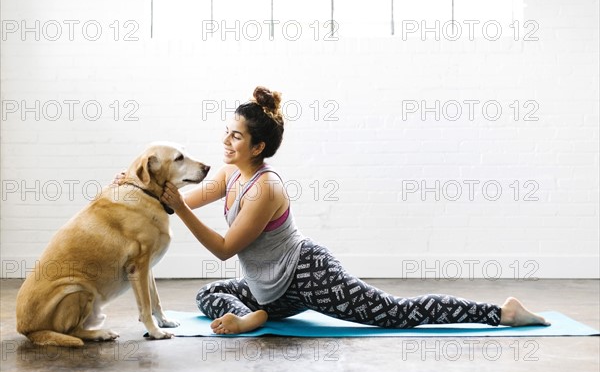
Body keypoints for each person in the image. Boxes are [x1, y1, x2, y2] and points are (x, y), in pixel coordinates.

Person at [160, 86, 550, 335]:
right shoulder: (230, 173)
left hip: (307, 274)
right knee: (209, 293)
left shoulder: (265, 187)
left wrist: (178, 205)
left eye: (236, 136)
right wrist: (138, 186)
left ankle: (502, 313)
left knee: (394, 314)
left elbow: (225, 247)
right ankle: (253, 317)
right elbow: (179, 201)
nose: (225, 140)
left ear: (258, 147)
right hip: (267, 290)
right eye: (227, 131)